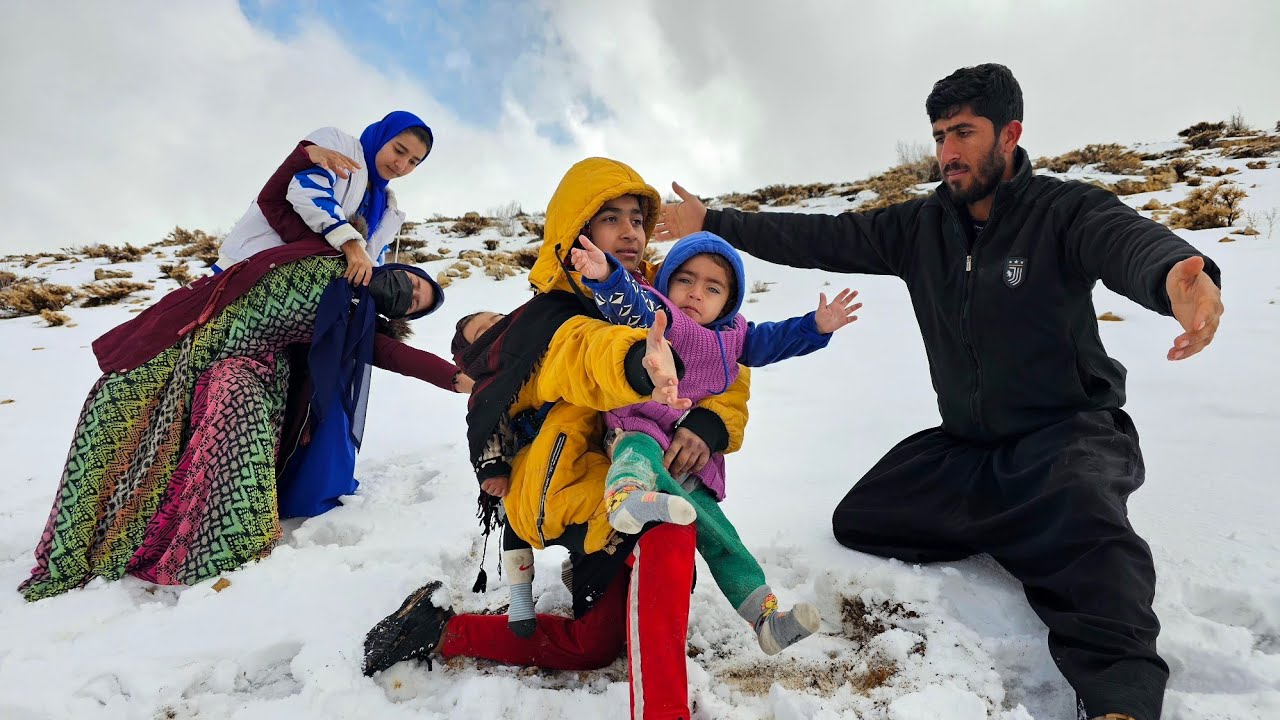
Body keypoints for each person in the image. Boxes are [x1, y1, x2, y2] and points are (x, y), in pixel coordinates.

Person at [657, 63, 1225, 720]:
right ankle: (1032, 524)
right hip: (973, 446)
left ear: (1009, 134)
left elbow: (1123, 239)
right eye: (938, 136)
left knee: (1091, 531)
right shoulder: (919, 228)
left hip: (1068, 434)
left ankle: (1119, 700)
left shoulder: (1061, 211)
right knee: (863, 515)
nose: (947, 152)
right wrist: (714, 219)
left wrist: (1175, 278)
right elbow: (821, 235)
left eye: (964, 133)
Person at [362, 157, 751, 720]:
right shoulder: (551, 315)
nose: (629, 232)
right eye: (610, 218)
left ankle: (445, 630)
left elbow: (727, 362)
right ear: (576, 229)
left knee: (594, 646)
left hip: (627, 471)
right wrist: (642, 362)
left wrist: (708, 424)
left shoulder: (659, 292)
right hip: (567, 481)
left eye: (636, 219)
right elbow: (583, 355)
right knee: (668, 520)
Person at [477, 229, 857, 655]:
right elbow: (630, 303)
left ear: (729, 302)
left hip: (681, 454)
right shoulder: (662, 315)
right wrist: (606, 276)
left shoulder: (733, 337)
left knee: (719, 533)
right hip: (634, 425)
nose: (695, 293)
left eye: (712, 288)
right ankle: (625, 499)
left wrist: (815, 327)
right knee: (637, 450)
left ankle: (764, 619)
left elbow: (773, 340)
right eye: (685, 280)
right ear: (668, 281)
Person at [18, 239, 454, 602]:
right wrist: (347, 232)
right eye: (417, 284)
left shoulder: (356, 322)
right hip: (185, 342)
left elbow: (399, 356)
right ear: (402, 267)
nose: (411, 293)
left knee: (224, 406)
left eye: (416, 304)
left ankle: (203, 540)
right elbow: (285, 196)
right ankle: (80, 541)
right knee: (113, 409)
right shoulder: (331, 247)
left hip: (246, 367)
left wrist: (456, 379)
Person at [215, 111, 434, 287]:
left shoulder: (385, 206)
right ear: (383, 135)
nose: (401, 165)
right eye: (399, 150)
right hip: (247, 265)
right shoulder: (339, 145)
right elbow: (306, 190)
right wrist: (349, 243)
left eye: (413, 162)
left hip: (292, 292)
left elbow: (370, 259)